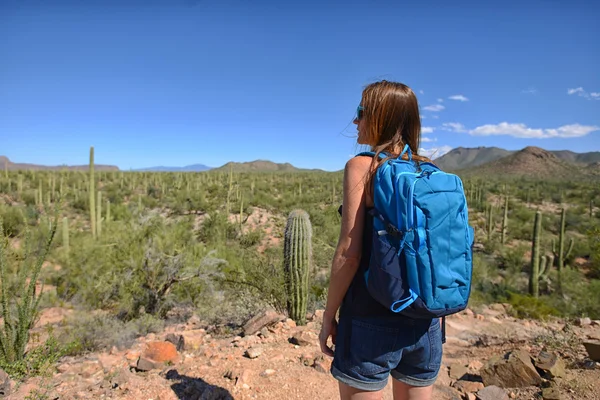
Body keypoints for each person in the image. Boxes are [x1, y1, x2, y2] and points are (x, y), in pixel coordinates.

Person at [318, 80, 442, 400]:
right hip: (426, 320)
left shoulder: (362, 167)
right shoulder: (429, 171)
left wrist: (328, 316)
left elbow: (350, 254)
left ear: (382, 117)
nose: (355, 120)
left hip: (370, 320)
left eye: (361, 111)